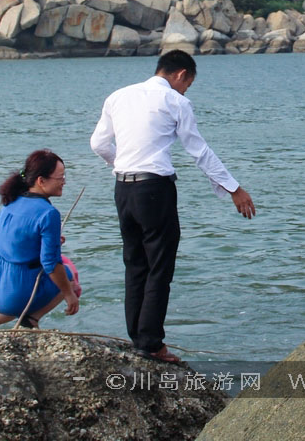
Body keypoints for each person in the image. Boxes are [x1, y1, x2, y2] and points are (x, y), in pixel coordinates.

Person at [90, 49, 256, 364]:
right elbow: (199, 150)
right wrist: (234, 188)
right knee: (159, 265)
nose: (185, 90)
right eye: (187, 84)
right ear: (180, 75)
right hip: (154, 189)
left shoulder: (118, 97)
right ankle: (151, 343)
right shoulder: (175, 102)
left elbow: (98, 144)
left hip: (123, 189)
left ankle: (138, 337)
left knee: (135, 263)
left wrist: (123, 165)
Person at [0, 150, 79, 331]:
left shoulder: (11, 201)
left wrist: (50, 240)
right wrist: (69, 294)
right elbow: (50, 263)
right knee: (69, 276)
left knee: (14, 285)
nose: (64, 182)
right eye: (60, 177)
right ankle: (30, 319)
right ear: (41, 181)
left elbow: (13, 242)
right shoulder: (48, 213)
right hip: (15, 293)